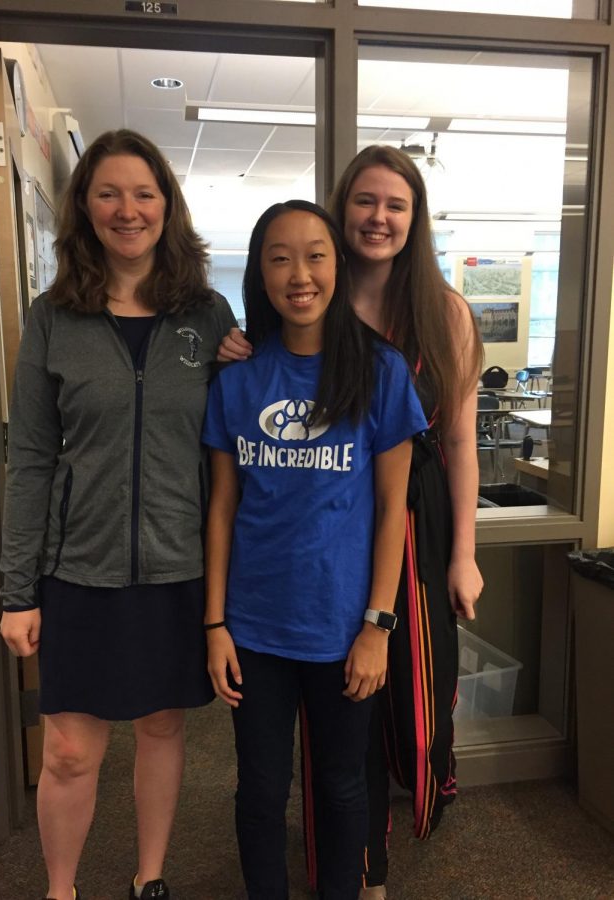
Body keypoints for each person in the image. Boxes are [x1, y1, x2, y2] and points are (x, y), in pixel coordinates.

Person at [218, 146, 484, 899]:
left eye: (396, 205)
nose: (379, 218)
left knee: (411, 711)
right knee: (341, 717)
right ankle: (363, 872)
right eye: (365, 202)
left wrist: (463, 553)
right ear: (343, 213)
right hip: (332, 523)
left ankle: (406, 821)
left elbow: (459, 442)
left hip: (416, 524)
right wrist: (237, 347)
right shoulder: (312, 307)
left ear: (414, 219)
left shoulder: (445, 311)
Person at [0, 129, 236, 900]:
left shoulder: (205, 314)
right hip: (79, 569)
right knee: (69, 749)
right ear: (84, 208)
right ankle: (60, 890)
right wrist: (17, 589)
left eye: (143, 193)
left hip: (176, 564)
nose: (126, 209)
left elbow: (231, 442)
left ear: (167, 206)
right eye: (109, 193)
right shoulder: (52, 318)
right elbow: (30, 458)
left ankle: (150, 878)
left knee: (164, 728)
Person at [202, 199, 428, 900]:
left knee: (338, 787)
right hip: (255, 629)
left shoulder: (381, 372)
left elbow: (394, 509)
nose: (298, 273)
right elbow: (221, 509)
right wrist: (213, 625)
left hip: (342, 629)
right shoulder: (237, 381)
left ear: (336, 264)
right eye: (278, 256)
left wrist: (377, 627)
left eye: (315, 254)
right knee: (261, 792)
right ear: (259, 273)